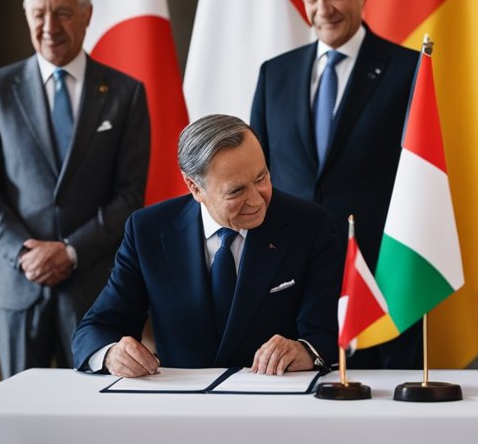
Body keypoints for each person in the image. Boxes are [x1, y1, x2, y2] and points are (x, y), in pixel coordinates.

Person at [0, 0, 150, 378]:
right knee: (18, 415)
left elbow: (130, 194)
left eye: (63, 13)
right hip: (18, 284)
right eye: (39, 13)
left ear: (87, 15)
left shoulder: (126, 94)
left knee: (93, 417)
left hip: (94, 288)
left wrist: (70, 251)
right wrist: (25, 252)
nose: (50, 26)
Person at [250, 0, 419, 368]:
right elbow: (258, 176)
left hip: (380, 285)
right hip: (289, 285)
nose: (322, 8)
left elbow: (420, 187)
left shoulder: (410, 70)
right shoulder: (275, 75)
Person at [72, 114, 344, 377]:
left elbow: (327, 332)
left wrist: (306, 351)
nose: (257, 199)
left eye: (261, 178)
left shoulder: (311, 225)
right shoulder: (148, 230)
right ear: (194, 187)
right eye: (236, 191)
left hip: (275, 403)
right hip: (182, 407)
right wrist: (111, 354)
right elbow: (95, 328)